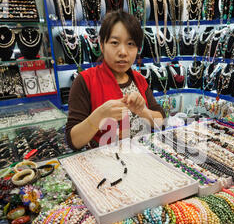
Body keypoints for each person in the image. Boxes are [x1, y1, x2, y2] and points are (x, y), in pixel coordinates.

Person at [65, 10, 165, 150]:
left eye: (130, 44)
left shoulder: (139, 79)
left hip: (144, 156)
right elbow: (73, 141)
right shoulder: (84, 81)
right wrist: (99, 116)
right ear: (101, 45)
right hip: (107, 163)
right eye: (114, 42)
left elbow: (160, 120)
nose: (123, 52)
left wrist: (143, 111)